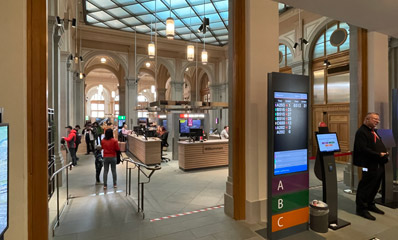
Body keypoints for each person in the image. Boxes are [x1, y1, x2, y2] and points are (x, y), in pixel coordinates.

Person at [354, 112, 389, 220]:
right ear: (367, 119)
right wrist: (378, 154)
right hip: (368, 164)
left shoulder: (374, 132)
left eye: (378, 119)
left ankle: (370, 204)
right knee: (366, 185)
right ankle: (361, 208)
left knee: (375, 185)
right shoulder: (361, 132)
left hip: (378, 163)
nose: (377, 121)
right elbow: (363, 149)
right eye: (374, 119)